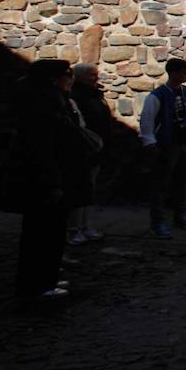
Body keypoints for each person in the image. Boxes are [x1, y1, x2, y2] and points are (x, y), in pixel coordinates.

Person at [13, 59, 87, 304]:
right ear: (55, 79)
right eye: (67, 75)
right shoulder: (43, 106)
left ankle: (47, 278)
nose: (70, 80)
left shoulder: (46, 101)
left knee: (47, 233)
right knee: (44, 235)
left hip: (48, 177)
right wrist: (53, 181)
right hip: (45, 180)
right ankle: (39, 284)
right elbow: (44, 148)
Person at [139, 57, 186, 239]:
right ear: (173, 73)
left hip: (185, 142)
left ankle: (180, 214)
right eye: (184, 72)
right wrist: (150, 143)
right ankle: (158, 221)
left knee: (182, 181)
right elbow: (147, 121)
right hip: (167, 144)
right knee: (161, 184)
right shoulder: (157, 96)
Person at [67, 63, 110, 245]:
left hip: (95, 148)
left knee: (90, 190)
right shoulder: (75, 97)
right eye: (91, 75)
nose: (96, 78)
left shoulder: (95, 95)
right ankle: (73, 228)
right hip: (83, 150)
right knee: (79, 190)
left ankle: (85, 225)